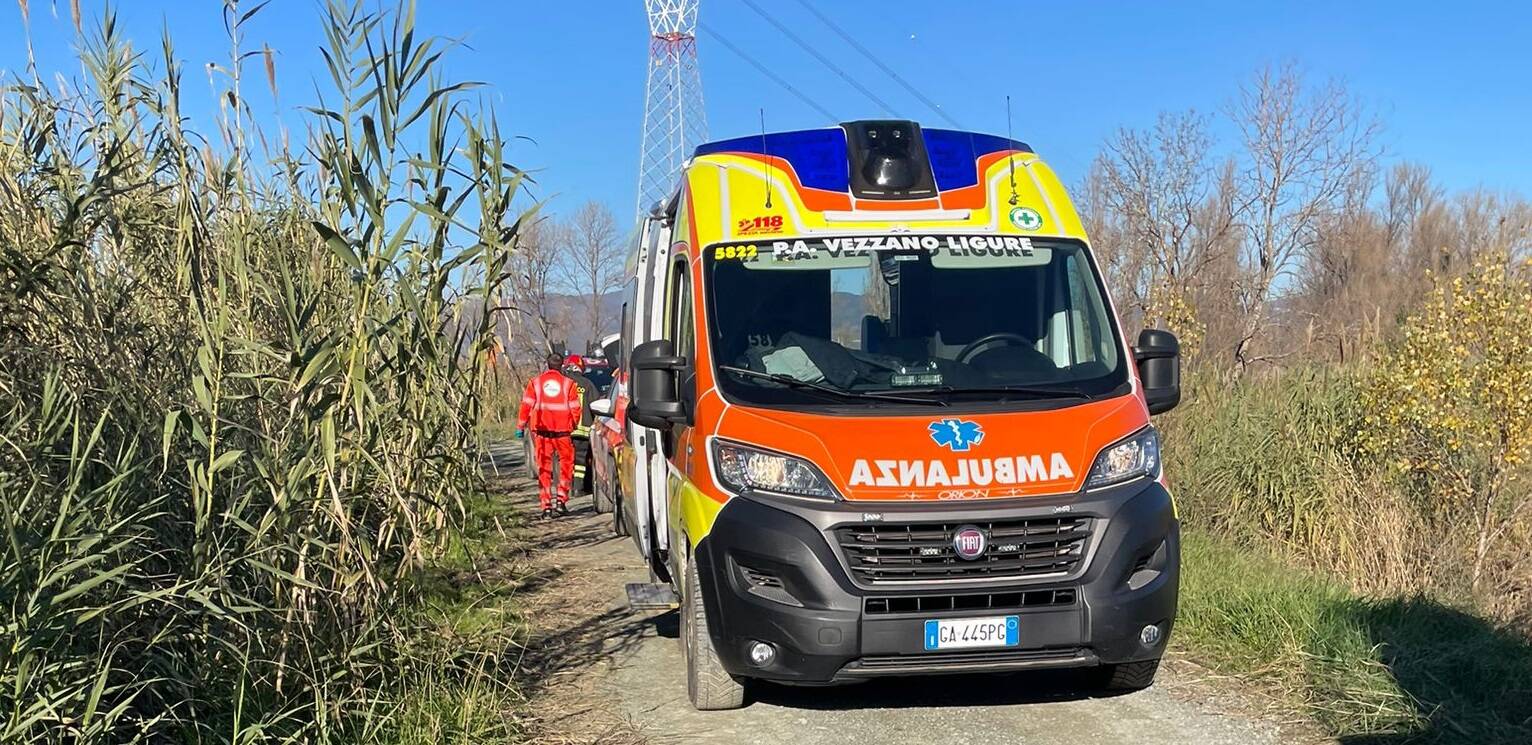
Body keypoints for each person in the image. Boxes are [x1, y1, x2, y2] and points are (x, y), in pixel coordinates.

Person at [517, 352, 581, 519]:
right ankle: (561, 501)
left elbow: (526, 406)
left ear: (547, 364)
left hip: (542, 432)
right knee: (566, 466)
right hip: (563, 433)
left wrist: (520, 426)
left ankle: (546, 507)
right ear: (561, 365)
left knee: (544, 469)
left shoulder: (535, 383)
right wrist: (572, 425)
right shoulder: (569, 384)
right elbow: (575, 408)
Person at [561, 354, 598, 495]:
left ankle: (564, 488)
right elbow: (595, 405)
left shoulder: (562, 383)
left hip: (563, 430)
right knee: (580, 461)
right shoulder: (587, 384)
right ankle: (578, 488)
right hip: (582, 431)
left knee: (565, 459)